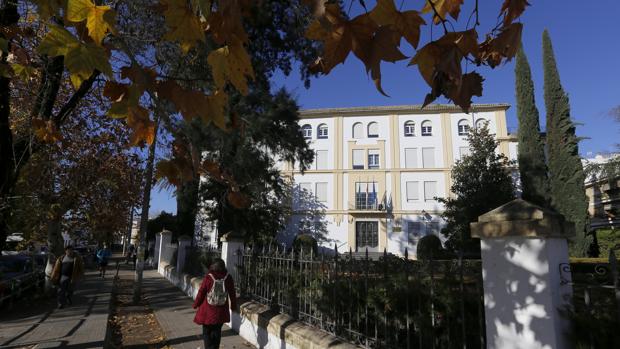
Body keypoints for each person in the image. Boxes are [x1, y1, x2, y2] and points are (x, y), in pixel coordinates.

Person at [192, 258, 237, 349]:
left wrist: (196, 304)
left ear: (213, 266)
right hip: (221, 310)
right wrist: (233, 306)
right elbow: (232, 293)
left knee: (206, 332)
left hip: (208, 311)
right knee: (217, 332)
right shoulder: (228, 277)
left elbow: (201, 292)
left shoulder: (209, 277)